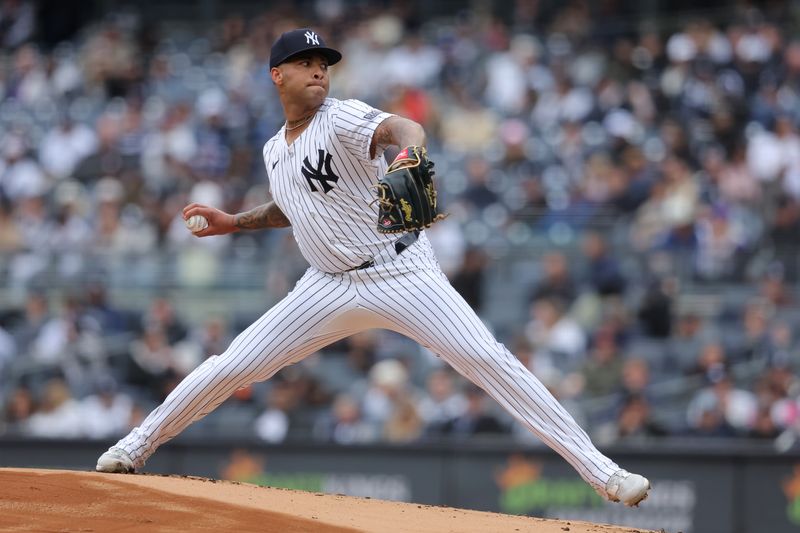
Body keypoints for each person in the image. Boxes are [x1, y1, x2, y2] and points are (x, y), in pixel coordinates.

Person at [96, 28, 651, 507]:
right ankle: (134, 447)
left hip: (402, 273)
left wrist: (410, 154)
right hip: (326, 286)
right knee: (232, 365)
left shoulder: (340, 119)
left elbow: (401, 130)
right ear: (276, 76)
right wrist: (233, 222)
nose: (318, 72)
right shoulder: (273, 150)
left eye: (323, 65)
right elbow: (291, 206)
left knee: (487, 358)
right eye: (306, 64)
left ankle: (605, 472)